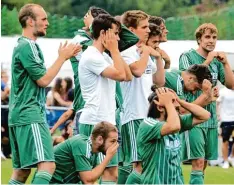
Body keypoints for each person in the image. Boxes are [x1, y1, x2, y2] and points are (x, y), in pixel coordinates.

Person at [8, 4, 81, 184]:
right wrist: (62, 57)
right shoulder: (28, 46)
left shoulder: (24, 46)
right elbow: (43, 80)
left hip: (20, 115)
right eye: (44, 19)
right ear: (30, 21)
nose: (47, 23)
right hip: (30, 115)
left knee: (21, 172)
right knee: (47, 166)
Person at [78, 14, 132, 184]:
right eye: (115, 34)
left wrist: (114, 51)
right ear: (103, 34)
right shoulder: (91, 55)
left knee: (111, 173)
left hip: (108, 121)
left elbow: (128, 75)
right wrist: (115, 50)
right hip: (93, 121)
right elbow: (121, 75)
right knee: (90, 176)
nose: (118, 38)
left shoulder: (105, 56)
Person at [179, 23, 234, 184]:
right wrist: (207, 62)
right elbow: (187, 81)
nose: (211, 41)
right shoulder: (187, 56)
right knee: (197, 161)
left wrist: (226, 64)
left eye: (214, 37)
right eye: (207, 37)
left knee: (204, 163)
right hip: (193, 116)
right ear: (199, 39)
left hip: (210, 118)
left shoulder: (217, 61)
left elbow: (231, 85)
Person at [120, 10, 165, 184]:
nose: (148, 30)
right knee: (137, 164)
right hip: (133, 115)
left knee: (145, 164)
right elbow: (137, 71)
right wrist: (147, 52)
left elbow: (159, 81)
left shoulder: (144, 51)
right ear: (131, 29)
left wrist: (158, 57)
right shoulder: (127, 51)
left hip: (146, 115)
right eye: (144, 27)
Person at [138, 87, 210, 184]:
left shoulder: (175, 121)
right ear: (160, 108)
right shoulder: (148, 124)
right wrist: (168, 103)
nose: (179, 111)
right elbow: (174, 126)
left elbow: (205, 115)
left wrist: (179, 101)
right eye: (175, 108)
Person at [50, 122, 119, 184]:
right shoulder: (82, 144)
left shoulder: (94, 152)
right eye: (112, 141)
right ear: (100, 139)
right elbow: (87, 180)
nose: (116, 145)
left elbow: (90, 181)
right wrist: (107, 158)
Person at [216, 86, 234, 168]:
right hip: (226, 119)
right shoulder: (223, 91)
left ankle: (231, 157)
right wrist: (218, 114)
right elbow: (217, 102)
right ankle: (225, 161)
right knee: (225, 141)